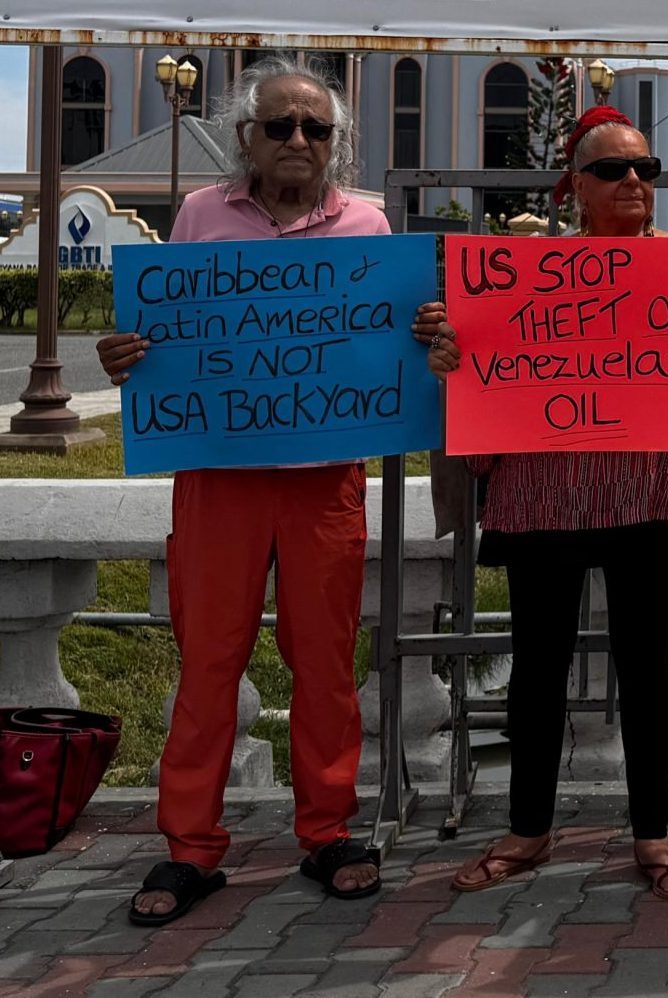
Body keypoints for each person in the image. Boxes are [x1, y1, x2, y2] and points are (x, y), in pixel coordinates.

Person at [416, 105, 668, 901]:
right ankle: (528, 828)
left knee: (647, 669)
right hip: (541, 501)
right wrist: (449, 350)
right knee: (537, 669)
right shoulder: (519, 274)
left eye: (647, 169)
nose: (635, 181)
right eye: (614, 170)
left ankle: (653, 835)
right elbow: (471, 372)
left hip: (645, 496)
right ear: (574, 185)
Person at [95, 56, 404, 926]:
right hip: (219, 479)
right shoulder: (199, 216)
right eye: (281, 126)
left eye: (316, 129)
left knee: (326, 668)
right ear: (247, 138)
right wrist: (126, 357)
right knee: (208, 667)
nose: (299, 140)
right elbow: (159, 337)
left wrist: (429, 338)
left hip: (324, 484)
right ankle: (190, 849)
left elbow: (393, 347)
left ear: (335, 146)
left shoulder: (369, 228)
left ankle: (328, 831)